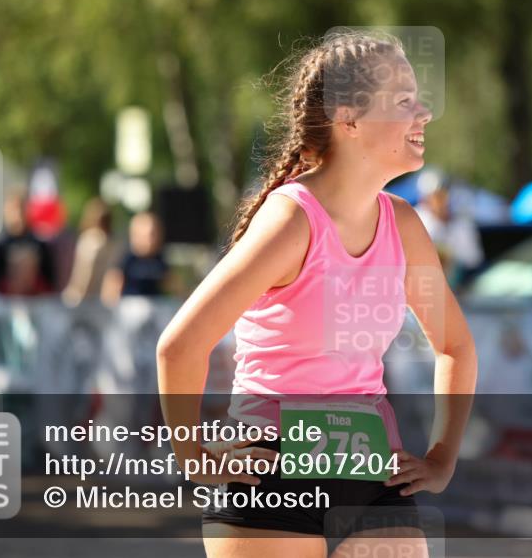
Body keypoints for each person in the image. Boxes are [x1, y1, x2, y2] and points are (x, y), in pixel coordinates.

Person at [156, 31, 477, 558]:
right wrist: (195, 458)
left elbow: (455, 347)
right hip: (271, 473)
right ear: (348, 119)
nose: (424, 112)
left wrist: (442, 458)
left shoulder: (402, 223)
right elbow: (180, 345)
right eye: (403, 101)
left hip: (374, 472)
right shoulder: (290, 220)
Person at [413, 168, 484, 287]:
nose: (441, 199)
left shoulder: (462, 224)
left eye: (444, 193)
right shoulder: (415, 220)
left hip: (457, 289)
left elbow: (473, 261)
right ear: (426, 198)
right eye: (436, 195)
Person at [0, 188, 56, 296]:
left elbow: (49, 280)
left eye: (21, 208)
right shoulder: (1, 244)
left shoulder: (38, 243)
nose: (18, 213)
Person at [101, 211, 176, 304]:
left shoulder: (159, 260)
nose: (150, 240)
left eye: (154, 235)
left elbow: (174, 286)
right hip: (130, 306)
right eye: (148, 235)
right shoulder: (126, 259)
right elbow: (112, 287)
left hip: (156, 307)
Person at [63, 198, 119, 306]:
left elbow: (85, 272)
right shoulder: (113, 243)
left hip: (85, 298)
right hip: (104, 299)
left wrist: (76, 295)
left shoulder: (90, 241)